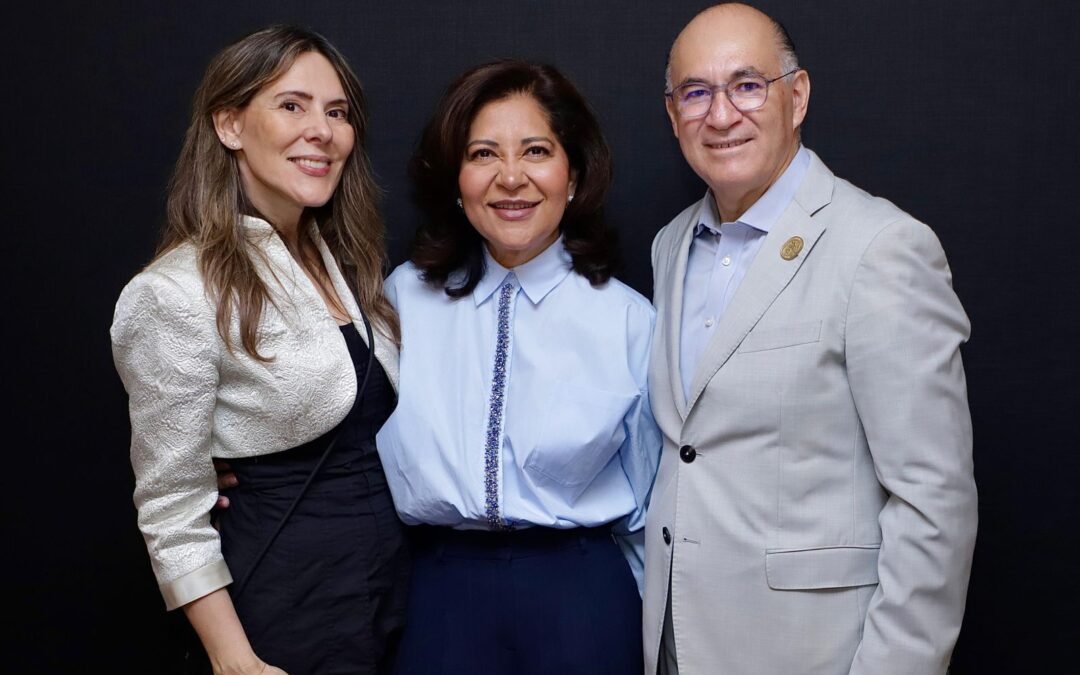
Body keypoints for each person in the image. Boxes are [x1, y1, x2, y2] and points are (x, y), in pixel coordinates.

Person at [642, 4, 978, 674]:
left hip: (815, 653)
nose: (721, 114)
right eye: (697, 92)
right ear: (673, 112)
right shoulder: (670, 244)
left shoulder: (879, 248)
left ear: (796, 97)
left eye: (746, 85)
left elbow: (933, 499)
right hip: (677, 645)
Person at [110, 25, 408, 675]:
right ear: (229, 125)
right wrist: (233, 658)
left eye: (337, 112)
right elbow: (170, 507)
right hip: (281, 610)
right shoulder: (172, 292)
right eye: (292, 104)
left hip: (385, 596)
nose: (322, 130)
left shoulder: (349, 263)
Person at [373, 60, 661, 675]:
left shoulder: (629, 320)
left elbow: (651, 503)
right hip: (438, 596)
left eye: (536, 150)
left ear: (573, 174)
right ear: (456, 178)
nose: (511, 178)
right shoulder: (399, 301)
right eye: (483, 154)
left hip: (581, 597)